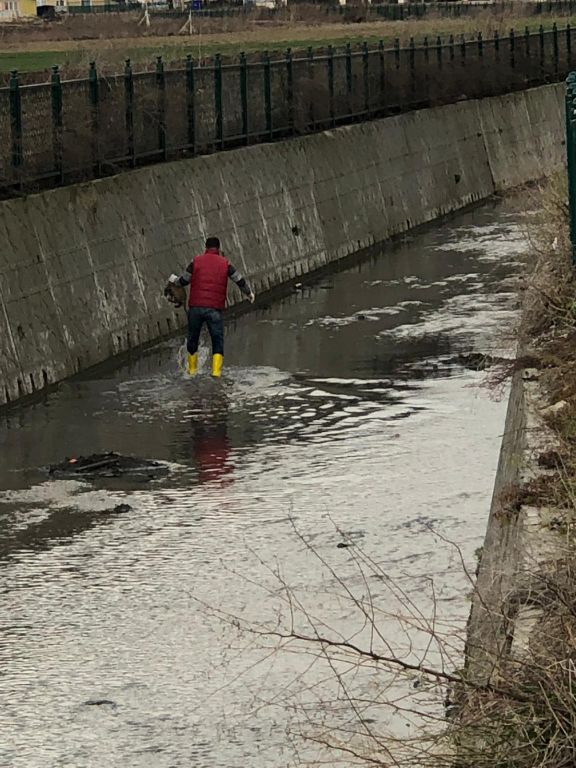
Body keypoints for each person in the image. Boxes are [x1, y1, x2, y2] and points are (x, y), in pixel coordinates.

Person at [168, 237, 255, 378]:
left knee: (193, 338)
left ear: (206, 247)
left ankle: (192, 371)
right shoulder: (225, 264)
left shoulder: (196, 261)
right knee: (217, 340)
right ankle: (216, 373)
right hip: (214, 309)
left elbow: (184, 280)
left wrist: (174, 280)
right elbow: (239, 279)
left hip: (195, 308)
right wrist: (249, 293)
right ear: (219, 249)